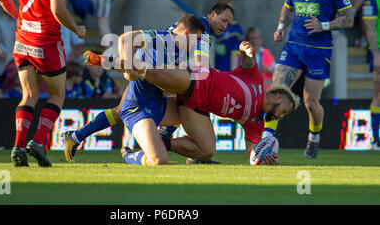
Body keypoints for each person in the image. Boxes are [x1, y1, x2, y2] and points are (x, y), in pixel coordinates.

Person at [62, 3, 234, 159]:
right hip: (143, 97)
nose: (224, 26)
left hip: (155, 92)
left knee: (124, 111)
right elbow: (126, 39)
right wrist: (127, 67)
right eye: (223, 20)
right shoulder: (196, 33)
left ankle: (76, 136)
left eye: (228, 24)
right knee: (186, 102)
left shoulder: (185, 40)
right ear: (212, 14)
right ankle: (160, 143)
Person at [87, 41, 300, 165]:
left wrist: (264, 159)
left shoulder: (256, 122)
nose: (281, 116)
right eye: (285, 111)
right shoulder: (257, 80)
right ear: (280, 97)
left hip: (196, 108)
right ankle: (103, 60)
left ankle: (142, 154)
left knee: (207, 151)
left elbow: (251, 153)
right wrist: (247, 49)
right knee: (151, 73)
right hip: (196, 81)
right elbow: (248, 61)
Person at [0, 0, 86, 167]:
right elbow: (58, 10)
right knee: (57, 95)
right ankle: (37, 141)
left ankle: (17, 145)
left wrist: (18, 16)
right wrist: (76, 28)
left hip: (22, 40)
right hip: (46, 41)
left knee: (29, 94)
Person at [269, 0, 355, 158]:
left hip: (319, 51)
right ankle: (267, 138)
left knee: (310, 102)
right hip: (294, 47)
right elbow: (287, 8)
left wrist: (323, 25)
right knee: (276, 91)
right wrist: (281, 27)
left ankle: (313, 137)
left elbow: (349, 19)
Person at [361, 0, 380, 150]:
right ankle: (375, 140)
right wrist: (376, 54)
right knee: (379, 93)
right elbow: (370, 26)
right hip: (379, 48)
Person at [214, 0, 244, 71]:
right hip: (211, 71)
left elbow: (234, 53)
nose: (234, 8)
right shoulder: (210, 25)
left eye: (234, 6)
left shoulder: (235, 29)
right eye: (231, 6)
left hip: (226, 73)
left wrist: (232, 75)